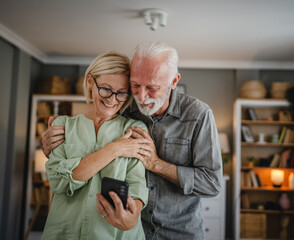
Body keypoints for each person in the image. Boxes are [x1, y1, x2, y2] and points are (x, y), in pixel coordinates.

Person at [42, 42, 223, 239]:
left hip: (179, 231)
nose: (142, 96)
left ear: (174, 81)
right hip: (131, 230)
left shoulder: (198, 115)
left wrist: (156, 164)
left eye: (152, 88)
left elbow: (211, 183)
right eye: (135, 85)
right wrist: (50, 142)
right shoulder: (122, 105)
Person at [41, 51, 151, 240]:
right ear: (90, 81)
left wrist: (132, 216)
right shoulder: (62, 126)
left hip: (115, 234)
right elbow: (60, 182)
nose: (112, 99)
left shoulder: (135, 129)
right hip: (66, 233)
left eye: (121, 93)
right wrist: (115, 149)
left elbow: (137, 183)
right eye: (106, 89)